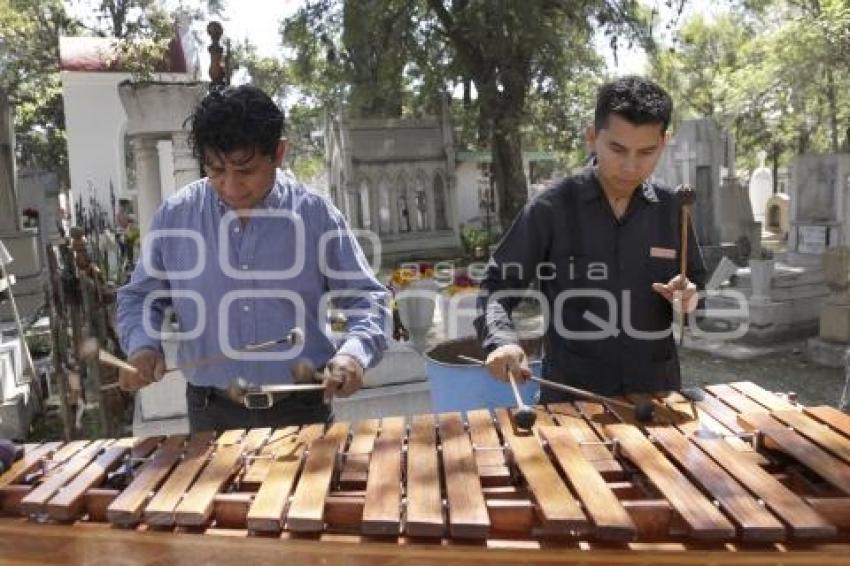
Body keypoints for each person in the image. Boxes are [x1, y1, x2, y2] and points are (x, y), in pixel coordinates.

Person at [117, 85, 390, 432]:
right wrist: (142, 345)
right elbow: (140, 296)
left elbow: (367, 298)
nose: (231, 187)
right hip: (211, 411)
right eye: (216, 170)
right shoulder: (175, 217)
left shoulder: (315, 215)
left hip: (301, 409)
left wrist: (354, 354)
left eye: (245, 171)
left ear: (278, 152)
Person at [475, 75, 706, 400]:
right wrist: (503, 341)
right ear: (592, 137)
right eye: (617, 149)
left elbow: (696, 285)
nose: (630, 166)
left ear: (663, 143)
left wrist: (691, 299)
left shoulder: (671, 208)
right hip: (574, 398)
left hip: (655, 393)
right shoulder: (551, 207)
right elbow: (498, 284)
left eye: (646, 152)